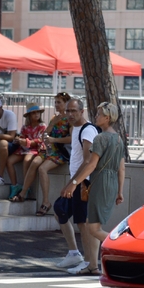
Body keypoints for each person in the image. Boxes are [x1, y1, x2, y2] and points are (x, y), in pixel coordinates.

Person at [61, 102, 125, 275]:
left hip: (99, 182)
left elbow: (90, 164)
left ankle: (124, 247)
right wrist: (119, 191)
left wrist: (74, 184)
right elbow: (122, 168)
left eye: (98, 114)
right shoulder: (118, 138)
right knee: (93, 224)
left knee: (92, 228)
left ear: (107, 118)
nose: (95, 117)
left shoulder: (100, 138)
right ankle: (93, 265)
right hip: (110, 184)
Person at [53, 98, 100, 273]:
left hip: (83, 183)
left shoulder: (88, 131)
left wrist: (73, 183)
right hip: (77, 182)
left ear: (82, 111)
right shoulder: (75, 129)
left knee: (83, 223)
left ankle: (89, 262)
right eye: (68, 111)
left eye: (73, 111)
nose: (70, 114)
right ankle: (75, 253)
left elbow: (88, 161)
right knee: (60, 210)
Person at [13, 93, 72, 214]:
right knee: (34, 162)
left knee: (42, 169)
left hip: (61, 152)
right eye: (55, 102)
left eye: (59, 102)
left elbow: (72, 139)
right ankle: (23, 192)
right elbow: (45, 133)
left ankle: (46, 202)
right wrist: (52, 124)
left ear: (66, 103)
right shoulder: (54, 118)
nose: (56, 105)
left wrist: (54, 140)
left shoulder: (70, 119)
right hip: (50, 149)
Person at [8, 103, 47, 202]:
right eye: (33, 113)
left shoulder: (42, 126)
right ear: (29, 115)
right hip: (23, 149)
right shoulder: (25, 126)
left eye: (37, 112)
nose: (36, 114)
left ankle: (26, 188)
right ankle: (14, 185)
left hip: (35, 149)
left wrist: (26, 142)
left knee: (27, 160)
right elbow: (21, 136)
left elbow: (40, 140)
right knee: (9, 161)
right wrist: (19, 140)